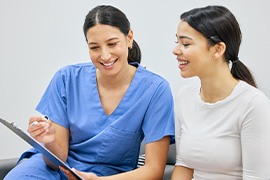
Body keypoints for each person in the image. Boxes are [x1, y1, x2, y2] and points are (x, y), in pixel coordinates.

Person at [5, 5, 175, 180]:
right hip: (53, 170)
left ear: (129, 38)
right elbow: (55, 161)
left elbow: (154, 170)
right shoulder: (66, 78)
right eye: (94, 47)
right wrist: (49, 142)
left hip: (108, 177)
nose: (105, 55)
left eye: (112, 44)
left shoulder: (155, 90)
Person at [171, 5, 270, 180]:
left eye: (185, 43)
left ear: (217, 49)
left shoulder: (253, 104)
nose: (176, 50)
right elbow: (183, 166)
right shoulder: (184, 96)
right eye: (177, 42)